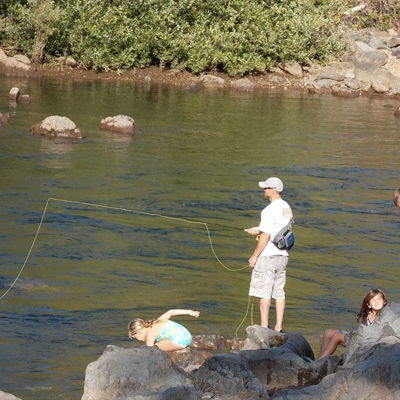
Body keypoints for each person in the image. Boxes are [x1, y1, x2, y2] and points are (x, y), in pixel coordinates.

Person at [245, 177, 293, 332]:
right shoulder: (286, 206)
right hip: (282, 255)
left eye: (266, 188)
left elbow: (265, 236)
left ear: (273, 190)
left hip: (268, 256)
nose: (264, 190)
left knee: (264, 292)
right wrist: (259, 229)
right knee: (279, 292)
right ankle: (278, 326)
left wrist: (254, 256)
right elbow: (286, 225)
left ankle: (264, 326)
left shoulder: (268, 210)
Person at [318, 288, 388, 359]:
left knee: (337, 336)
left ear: (384, 302)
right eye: (373, 300)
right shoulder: (369, 314)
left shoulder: (385, 315)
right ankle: (320, 359)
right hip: (358, 337)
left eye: (379, 299)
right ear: (369, 305)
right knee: (328, 332)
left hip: (365, 343)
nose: (376, 302)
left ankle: (320, 361)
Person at [128, 309, 200, 352]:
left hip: (182, 340)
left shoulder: (149, 336)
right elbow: (170, 312)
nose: (137, 339)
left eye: (135, 337)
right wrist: (189, 312)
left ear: (138, 332)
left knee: (154, 349)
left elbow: (150, 354)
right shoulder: (155, 322)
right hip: (186, 334)